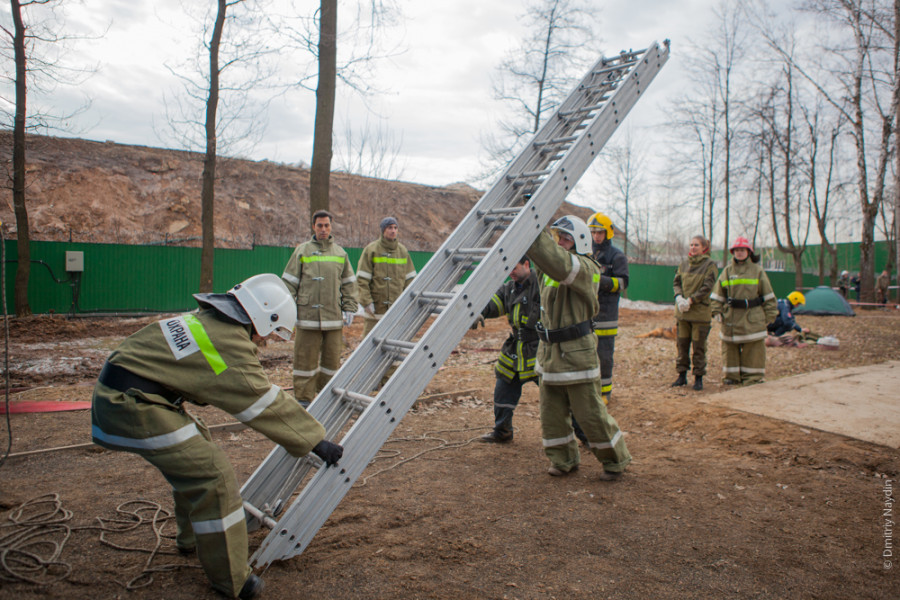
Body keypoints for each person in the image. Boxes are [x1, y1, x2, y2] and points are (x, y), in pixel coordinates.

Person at [91, 274, 344, 599]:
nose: (264, 341)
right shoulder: (227, 347)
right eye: (267, 333)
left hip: (128, 396)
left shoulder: (207, 322)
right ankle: (233, 580)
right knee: (213, 476)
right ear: (263, 316)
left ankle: (191, 539)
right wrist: (315, 441)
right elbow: (262, 402)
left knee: (196, 447)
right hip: (130, 406)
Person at [526, 215, 631, 480]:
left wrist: (533, 225)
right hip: (550, 352)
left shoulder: (585, 267)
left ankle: (615, 459)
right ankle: (563, 459)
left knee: (590, 413)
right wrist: (527, 225)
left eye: (566, 238)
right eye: (557, 237)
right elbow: (542, 258)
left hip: (576, 352)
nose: (559, 242)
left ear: (580, 242)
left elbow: (557, 262)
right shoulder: (553, 265)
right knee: (551, 414)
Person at [282, 210, 358, 406]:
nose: (323, 229)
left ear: (331, 227)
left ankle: (327, 398)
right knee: (304, 362)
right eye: (319, 226)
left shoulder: (341, 253)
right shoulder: (302, 251)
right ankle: (303, 400)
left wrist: (349, 307)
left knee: (331, 363)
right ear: (313, 227)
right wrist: (288, 311)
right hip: (307, 317)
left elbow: (349, 283)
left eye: (326, 225)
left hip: (333, 318)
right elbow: (289, 283)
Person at [473, 257, 541, 443]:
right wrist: (479, 312)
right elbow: (494, 303)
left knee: (557, 394)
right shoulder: (509, 288)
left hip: (540, 349)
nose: (511, 271)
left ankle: (584, 434)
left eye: (515, 267)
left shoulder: (540, 284)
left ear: (527, 264)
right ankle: (502, 431)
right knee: (503, 386)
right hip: (516, 348)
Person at [710, 237, 778, 386]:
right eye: (737, 250)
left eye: (742, 250)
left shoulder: (757, 271)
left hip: (752, 317)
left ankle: (752, 378)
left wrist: (769, 316)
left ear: (749, 252)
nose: (739, 253)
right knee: (730, 349)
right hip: (731, 319)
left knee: (753, 349)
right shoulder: (727, 271)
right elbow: (717, 295)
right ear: (733, 252)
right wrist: (716, 312)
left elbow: (768, 296)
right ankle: (731, 377)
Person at [356, 217, 417, 383]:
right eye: (390, 227)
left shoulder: (403, 252)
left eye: (395, 227)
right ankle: (367, 381)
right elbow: (362, 279)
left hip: (395, 313)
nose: (393, 230)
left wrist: (407, 304)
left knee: (393, 349)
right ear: (383, 230)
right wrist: (366, 302)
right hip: (374, 313)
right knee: (369, 348)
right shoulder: (371, 250)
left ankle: (388, 382)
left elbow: (411, 280)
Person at [585, 211, 628, 405]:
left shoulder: (616, 256)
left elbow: (622, 283)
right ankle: (588, 390)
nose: (596, 236)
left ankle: (605, 393)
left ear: (607, 233)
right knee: (586, 354)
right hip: (587, 313)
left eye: (599, 232)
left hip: (607, 314)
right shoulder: (586, 253)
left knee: (604, 356)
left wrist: (599, 281)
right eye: (593, 232)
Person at [671, 235, 718, 391]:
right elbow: (676, 281)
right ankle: (681, 375)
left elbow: (707, 286)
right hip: (683, 313)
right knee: (682, 344)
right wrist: (678, 297)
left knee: (698, 347)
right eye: (691, 244)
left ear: (704, 247)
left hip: (699, 313)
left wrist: (691, 300)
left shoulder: (709, 265)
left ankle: (698, 377)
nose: (692, 247)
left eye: (696, 245)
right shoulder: (684, 264)